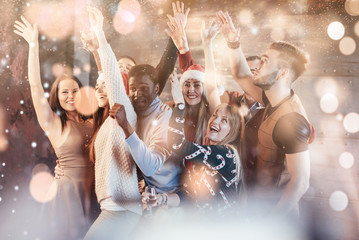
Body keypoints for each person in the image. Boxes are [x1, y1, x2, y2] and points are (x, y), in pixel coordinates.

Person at [217, 10, 314, 215]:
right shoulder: (271, 98)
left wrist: (271, 223)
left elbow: (301, 183)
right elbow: (240, 74)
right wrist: (233, 43)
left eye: (266, 61)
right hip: (256, 210)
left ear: (283, 73)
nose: (259, 66)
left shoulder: (291, 120)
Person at [14, 17, 94, 239]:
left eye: (74, 90)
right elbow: (35, 85)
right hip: (67, 195)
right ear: (57, 97)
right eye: (64, 92)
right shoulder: (56, 124)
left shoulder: (93, 121)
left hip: (94, 191)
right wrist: (33, 46)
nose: (70, 96)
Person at [82, 7, 141, 240]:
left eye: (104, 84)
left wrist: (99, 33)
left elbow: (110, 74)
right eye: (97, 86)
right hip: (112, 208)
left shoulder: (124, 113)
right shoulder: (107, 121)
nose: (99, 88)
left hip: (122, 210)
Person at [165, 68, 245, 214]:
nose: (215, 121)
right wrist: (162, 199)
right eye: (215, 115)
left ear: (232, 131)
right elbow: (189, 195)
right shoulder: (204, 155)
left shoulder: (227, 155)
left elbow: (176, 144)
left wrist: (179, 104)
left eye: (224, 120)